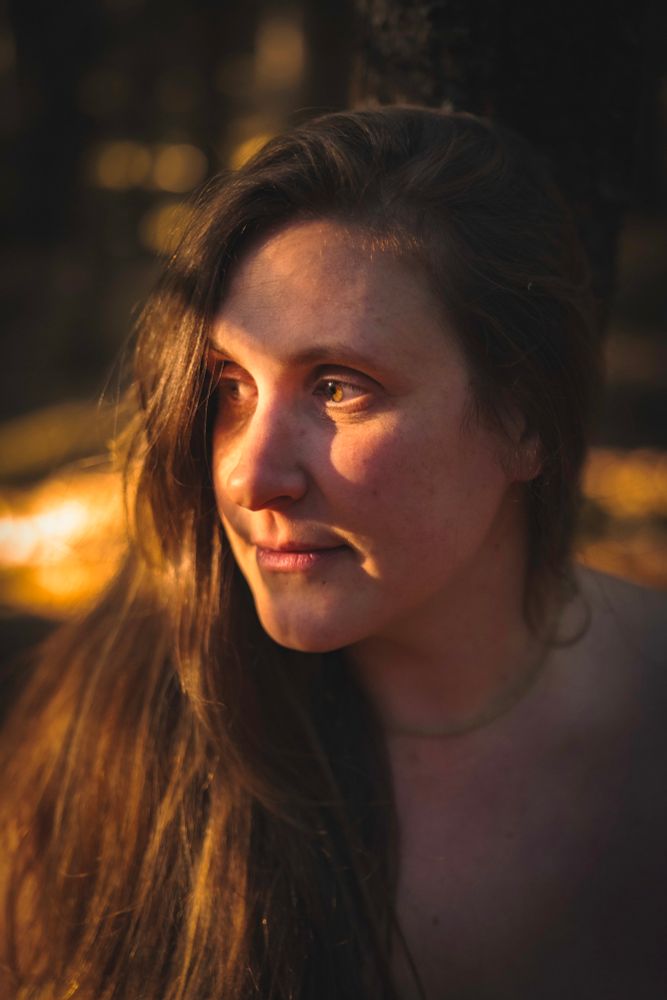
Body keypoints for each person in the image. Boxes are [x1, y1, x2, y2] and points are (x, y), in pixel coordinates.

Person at [1, 106, 665, 1000]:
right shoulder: (106, 734)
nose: (248, 476)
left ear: (521, 420)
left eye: (338, 388)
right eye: (228, 386)